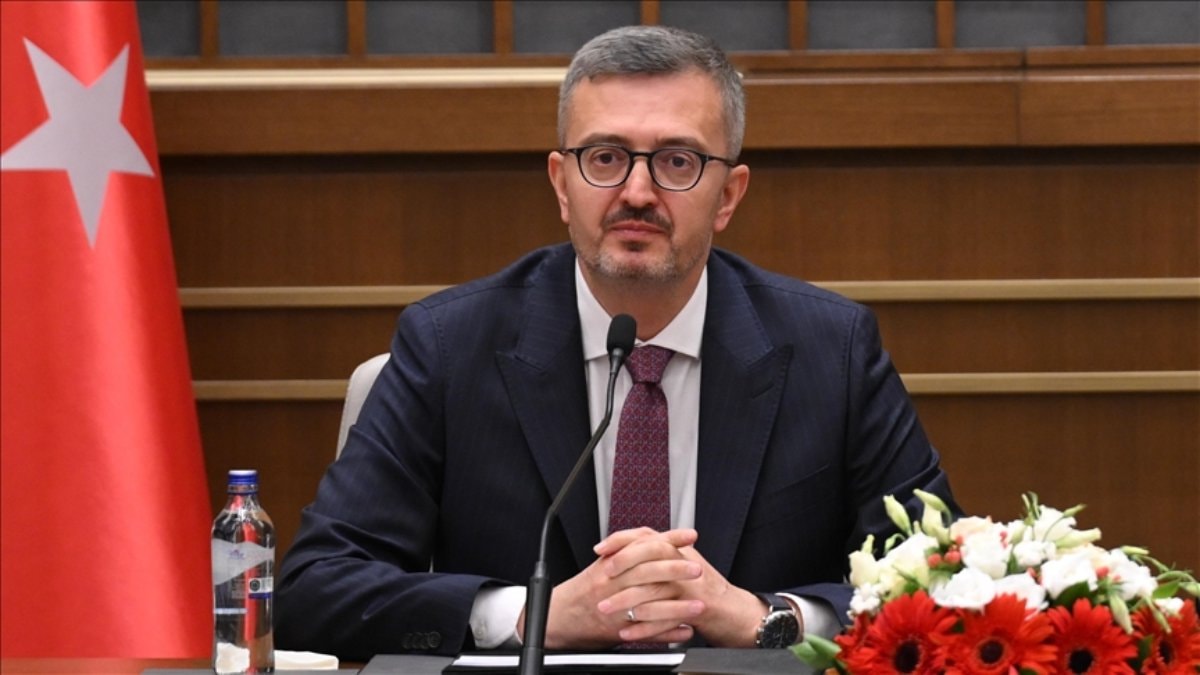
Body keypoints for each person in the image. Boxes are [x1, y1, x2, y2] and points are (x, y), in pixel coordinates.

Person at [276, 25, 958, 660]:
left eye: (677, 161)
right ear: (561, 184)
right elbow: (315, 587)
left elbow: (946, 588)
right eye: (605, 158)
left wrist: (766, 616)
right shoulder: (449, 346)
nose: (637, 192)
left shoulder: (833, 351)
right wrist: (534, 614)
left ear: (728, 194)